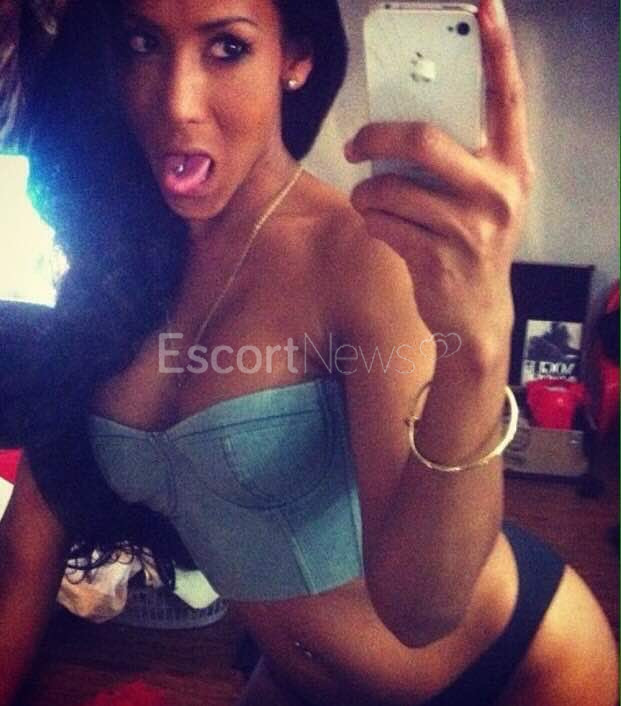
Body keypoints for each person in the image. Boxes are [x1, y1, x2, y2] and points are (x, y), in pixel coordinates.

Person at [0, 1, 618, 705]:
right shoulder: (113, 265)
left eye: (227, 48)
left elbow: (420, 611)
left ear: (295, 57)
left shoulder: (359, 255)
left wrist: (478, 342)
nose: (177, 103)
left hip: (511, 673)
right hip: (290, 679)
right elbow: (26, 541)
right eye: (144, 43)